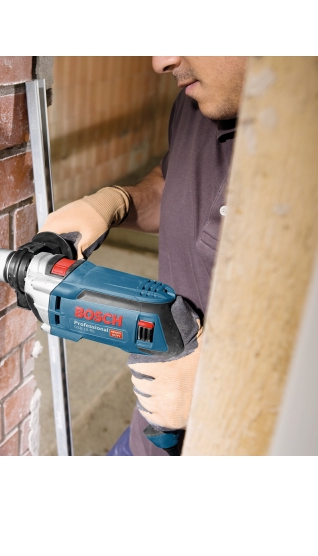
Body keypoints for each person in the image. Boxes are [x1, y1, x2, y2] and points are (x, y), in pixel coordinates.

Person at [41, 57, 249, 456]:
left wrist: (223, 385)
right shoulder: (195, 104)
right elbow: (174, 184)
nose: (160, 62)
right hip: (145, 440)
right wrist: (118, 202)